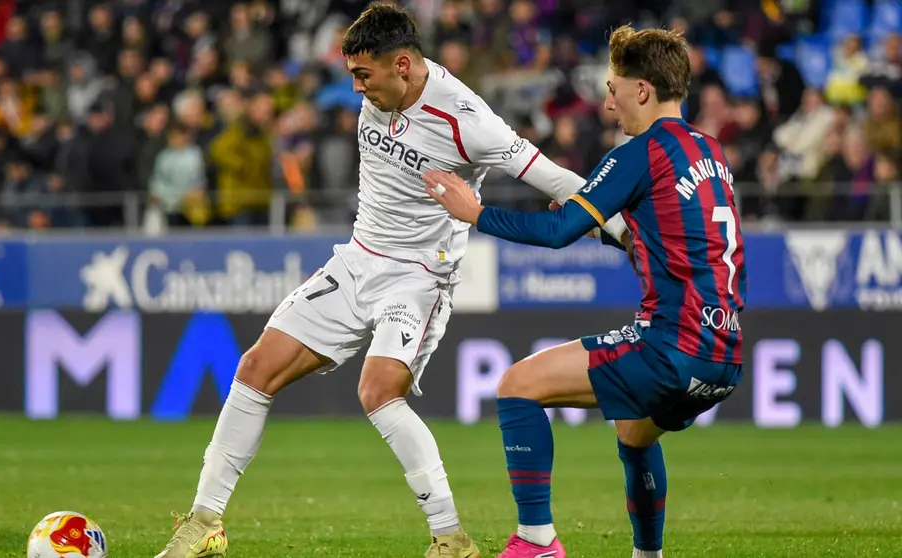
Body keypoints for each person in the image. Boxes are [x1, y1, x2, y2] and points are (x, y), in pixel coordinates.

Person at [154, 4, 628, 558]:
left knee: (377, 391)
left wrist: (623, 230)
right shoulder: (377, 93)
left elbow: (556, 177)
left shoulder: (468, 120)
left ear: (402, 64)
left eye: (363, 76)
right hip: (356, 259)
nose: (357, 90)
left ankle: (450, 538)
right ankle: (205, 523)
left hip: (419, 276)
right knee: (255, 367)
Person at [424, 25, 746, 558]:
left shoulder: (638, 154)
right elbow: (670, 244)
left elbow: (555, 233)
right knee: (634, 436)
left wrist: (474, 213)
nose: (608, 100)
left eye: (614, 86)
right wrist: (604, 229)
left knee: (516, 386)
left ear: (642, 90)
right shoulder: (711, 153)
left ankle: (537, 542)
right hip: (725, 355)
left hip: (670, 347)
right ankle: (649, 555)